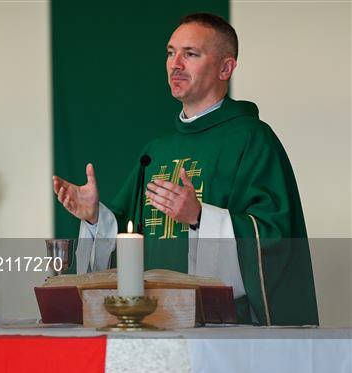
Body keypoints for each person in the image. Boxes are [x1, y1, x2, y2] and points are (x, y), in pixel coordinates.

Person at [52, 13, 318, 326]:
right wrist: (96, 218)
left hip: (226, 330)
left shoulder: (252, 139)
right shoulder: (156, 151)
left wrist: (200, 217)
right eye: (170, 52)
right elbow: (128, 239)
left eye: (190, 54)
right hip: (154, 320)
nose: (175, 64)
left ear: (225, 68)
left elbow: (276, 239)